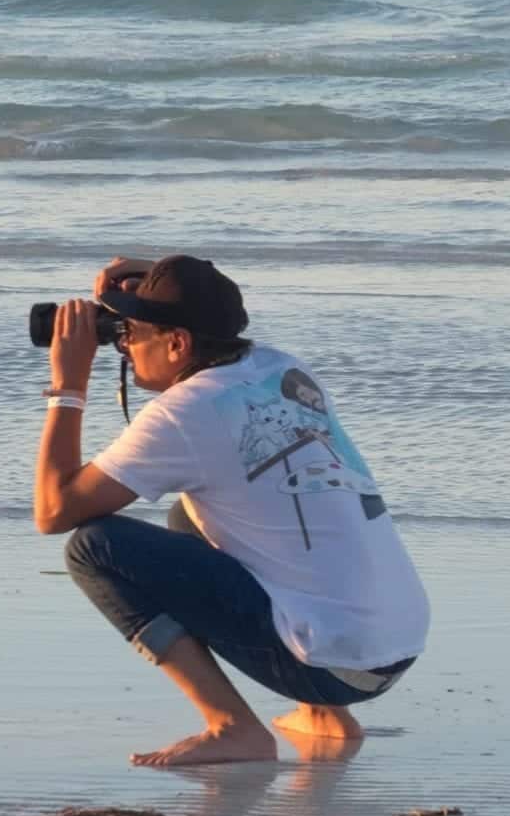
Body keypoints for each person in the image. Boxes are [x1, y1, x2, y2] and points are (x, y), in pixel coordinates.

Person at [34, 255, 430, 768]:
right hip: (393, 645)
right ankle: (326, 717)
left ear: (178, 343)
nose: (124, 346)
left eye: (131, 332)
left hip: (331, 666)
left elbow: (54, 509)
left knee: (93, 548)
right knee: (190, 518)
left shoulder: (184, 414)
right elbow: (212, 308)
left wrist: (69, 386)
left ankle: (233, 727)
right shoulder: (280, 367)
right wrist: (152, 283)